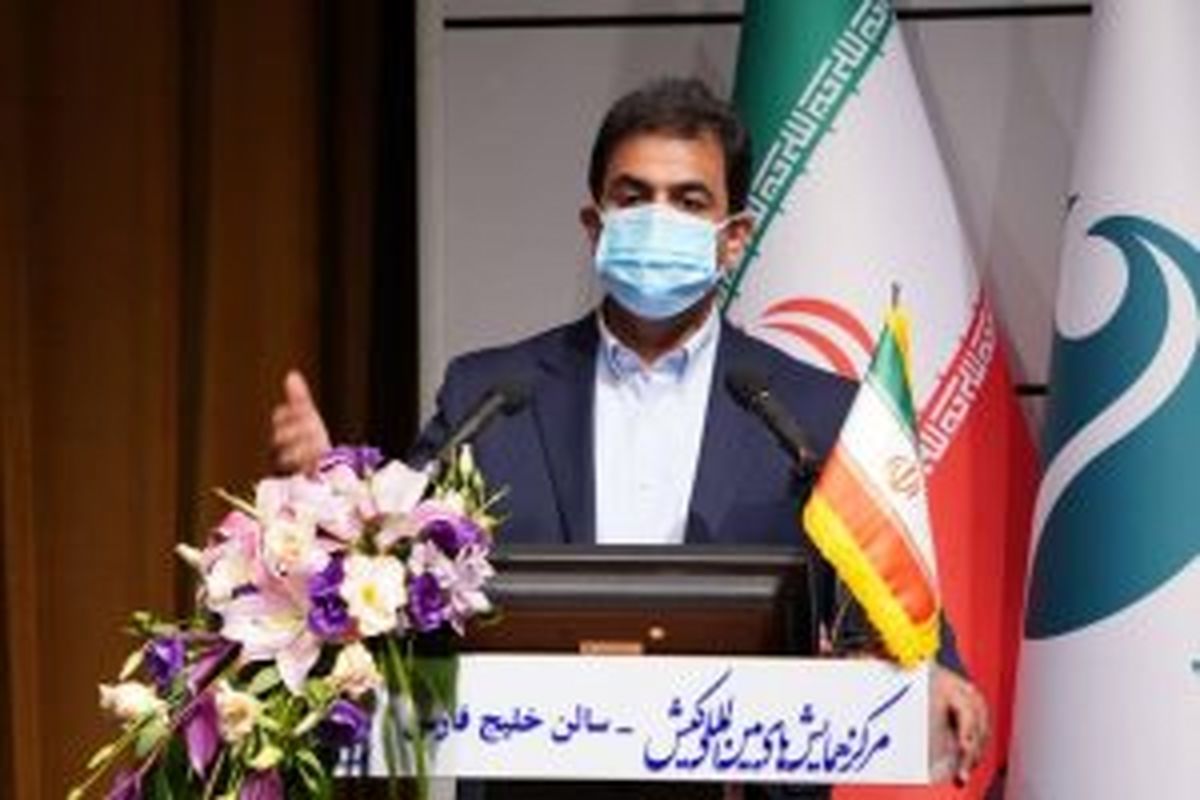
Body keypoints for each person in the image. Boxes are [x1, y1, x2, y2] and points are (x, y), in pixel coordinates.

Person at [272, 77, 989, 796]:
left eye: (689, 201)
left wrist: (932, 674)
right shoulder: (490, 394)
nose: (658, 218)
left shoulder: (814, 411)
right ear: (596, 225)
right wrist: (332, 502)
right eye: (634, 196)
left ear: (734, 238)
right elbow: (399, 572)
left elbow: (890, 601)